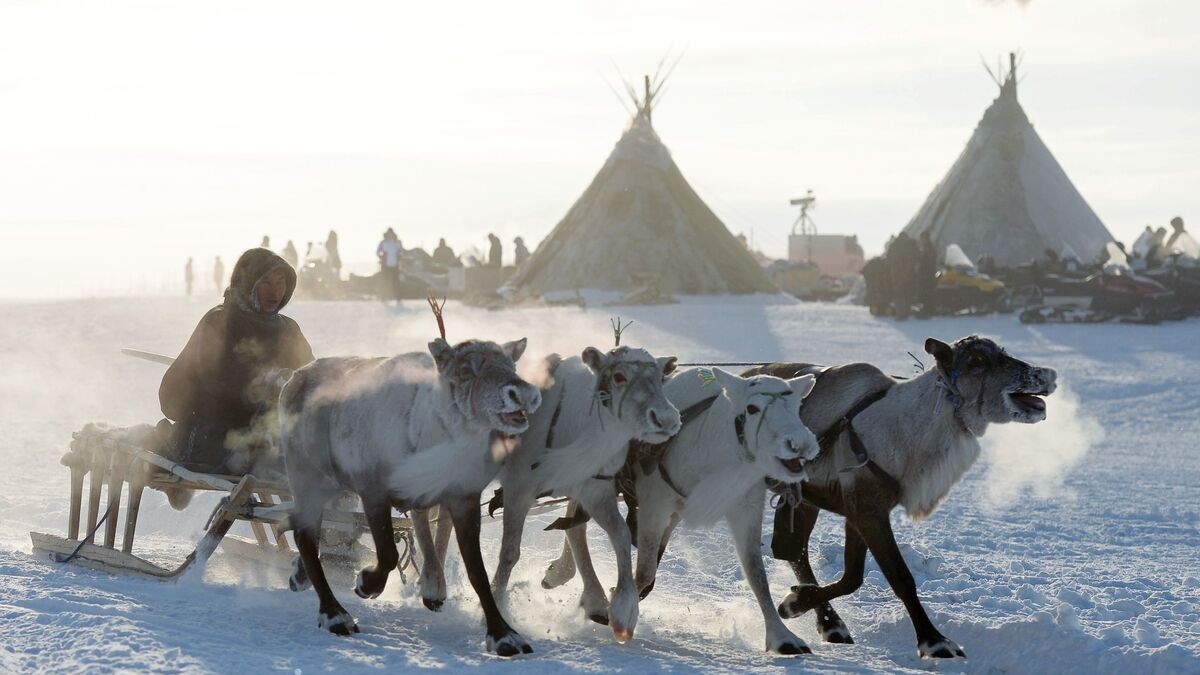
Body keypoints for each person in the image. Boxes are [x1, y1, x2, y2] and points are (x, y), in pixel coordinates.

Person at [157, 248, 314, 507]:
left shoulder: (288, 329)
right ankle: (167, 441)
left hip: (263, 430)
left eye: (280, 283)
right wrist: (267, 383)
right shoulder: (220, 320)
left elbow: (308, 373)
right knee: (253, 455)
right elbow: (220, 375)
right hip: (210, 425)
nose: (275, 291)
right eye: (266, 282)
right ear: (248, 283)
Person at [916, 231, 938, 306]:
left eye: (923, 238)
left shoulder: (929, 248)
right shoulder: (924, 247)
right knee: (925, 292)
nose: (922, 240)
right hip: (925, 274)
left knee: (927, 292)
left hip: (927, 274)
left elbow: (928, 261)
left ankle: (927, 308)